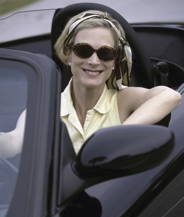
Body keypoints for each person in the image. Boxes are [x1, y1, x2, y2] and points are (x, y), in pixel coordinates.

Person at [0, 10, 181, 157]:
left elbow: (169, 96)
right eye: (83, 50)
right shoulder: (45, 108)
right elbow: (12, 144)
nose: (94, 61)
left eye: (105, 53)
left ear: (115, 61)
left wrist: (121, 133)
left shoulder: (123, 98)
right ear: (67, 54)